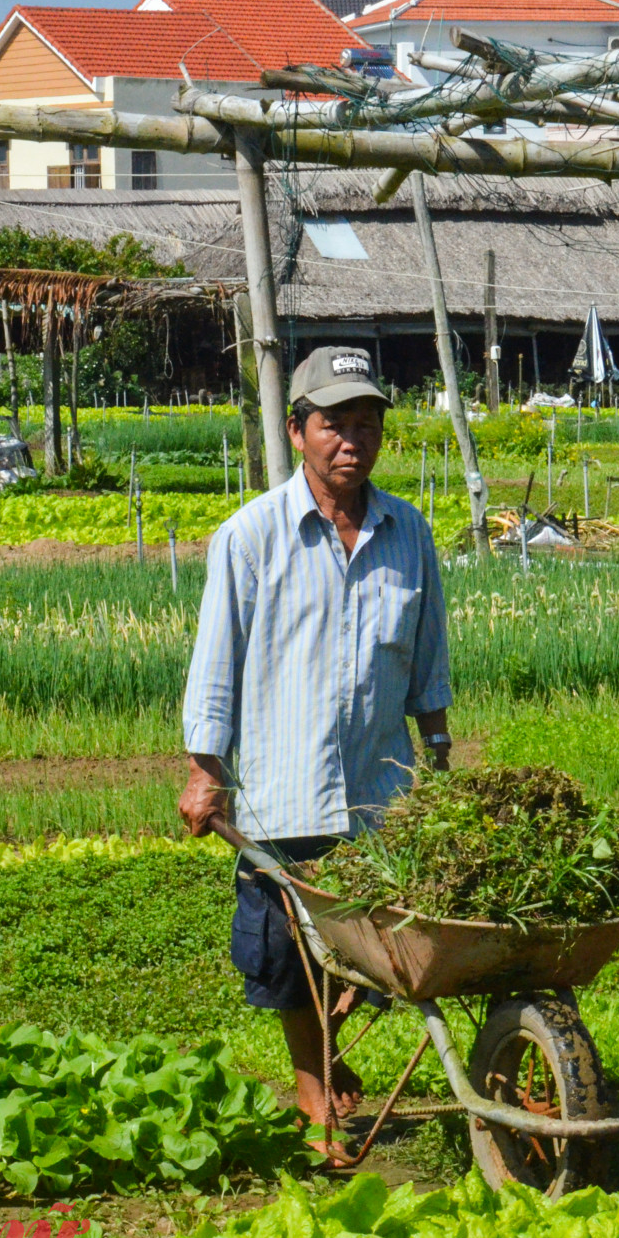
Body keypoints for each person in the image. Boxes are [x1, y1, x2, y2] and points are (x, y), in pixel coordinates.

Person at [178, 346, 453, 1134]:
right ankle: (315, 1091)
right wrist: (207, 769)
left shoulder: (410, 534)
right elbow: (216, 662)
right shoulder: (250, 536)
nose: (352, 440)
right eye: (335, 423)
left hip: (379, 793)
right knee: (285, 960)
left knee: (372, 953)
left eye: (367, 423)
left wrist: (437, 757)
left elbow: (427, 662)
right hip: (282, 790)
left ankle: (328, 1059)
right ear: (298, 430)